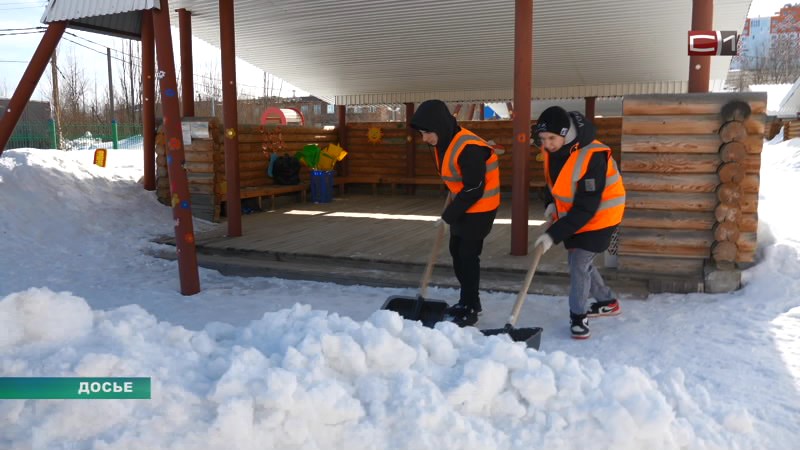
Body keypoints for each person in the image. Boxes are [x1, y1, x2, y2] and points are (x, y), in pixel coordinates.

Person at [532, 106, 626, 339]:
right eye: (543, 139)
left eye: (552, 138)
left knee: (578, 263)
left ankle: (578, 317)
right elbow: (553, 183)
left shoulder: (592, 156)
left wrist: (553, 235)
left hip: (601, 217)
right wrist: (550, 203)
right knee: (580, 262)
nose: (548, 144)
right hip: (573, 216)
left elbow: (587, 207)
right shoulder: (553, 151)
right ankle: (607, 301)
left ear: (566, 133)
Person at [410, 99, 500, 327]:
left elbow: (474, 189)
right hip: (464, 204)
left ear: (440, 126)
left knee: (468, 257)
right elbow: (457, 181)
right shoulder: (445, 141)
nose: (425, 138)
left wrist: (448, 216)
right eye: (422, 133)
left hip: (480, 208)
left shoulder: (468, 148)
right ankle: (467, 300)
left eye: (427, 132)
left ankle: (470, 306)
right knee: (456, 252)